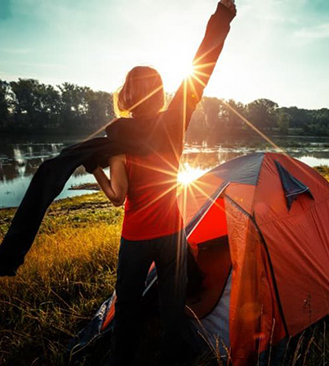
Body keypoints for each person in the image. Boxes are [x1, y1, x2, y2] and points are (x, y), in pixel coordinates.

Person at [93, 1, 237, 365]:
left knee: (127, 308)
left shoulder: (116, 135)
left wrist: (94, 170)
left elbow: (118, 195)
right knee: (172, 308)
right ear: (158, 92)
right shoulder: (174, 120)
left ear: (127, 94)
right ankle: (174, 357)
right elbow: (203, 63)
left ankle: (121, 359)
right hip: (172, 234)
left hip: (136, 238)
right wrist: (223, 14)